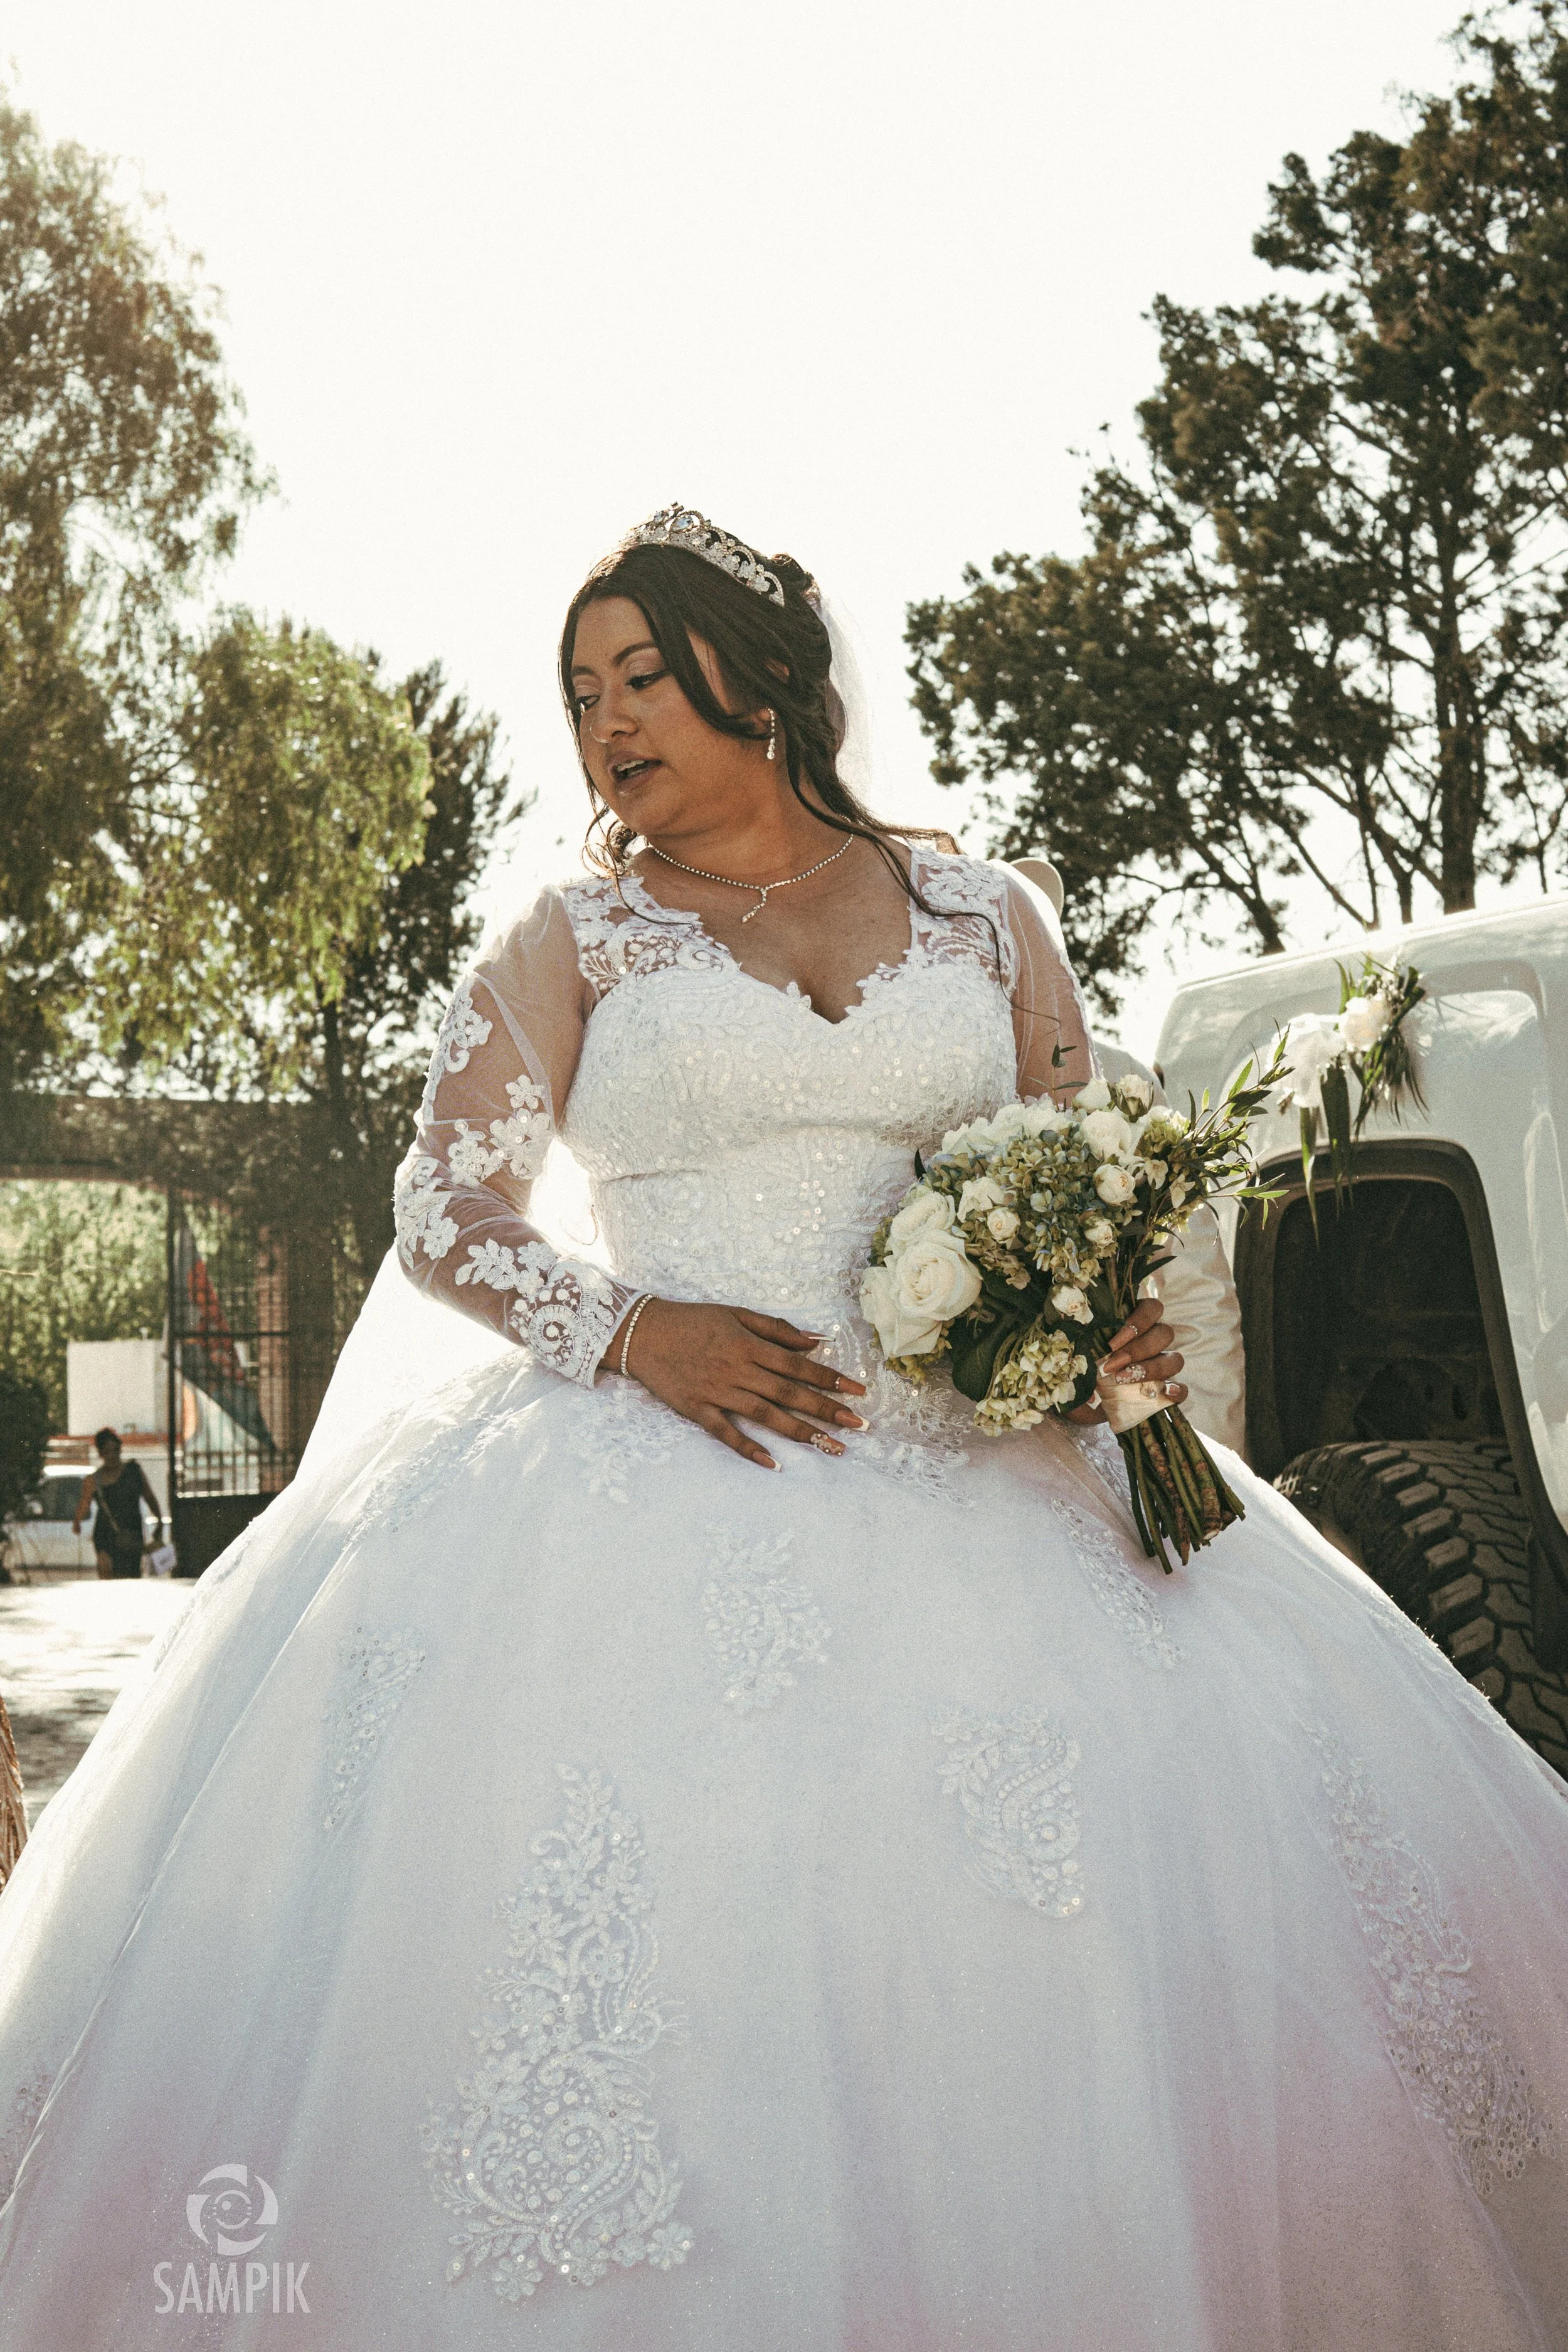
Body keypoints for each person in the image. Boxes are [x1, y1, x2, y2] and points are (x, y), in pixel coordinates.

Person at [0, 506, 1564, 2351]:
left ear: (765, 677)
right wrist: (632, 1329)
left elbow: (1086, 1178)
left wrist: (1099, 1338)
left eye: (641, 674)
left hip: (1000, 1470)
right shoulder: (573, 938)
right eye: (579, 693)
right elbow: (444, 1205)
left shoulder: (986, 915)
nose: (606, 724)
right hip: (650, 1458)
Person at [1010, 857, 1249, 1458]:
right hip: (982, 1450)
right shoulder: (916, 1103)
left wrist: (1201, 1456)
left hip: (1125, 1422)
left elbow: (1194, 1291)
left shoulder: (1122, 1083)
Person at [71, 1429, 161, 1581]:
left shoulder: (134, 1472)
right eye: (107, 1452)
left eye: (115, 1450)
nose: (112, 1455)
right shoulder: (93, 1480)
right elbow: (84, 1504)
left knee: (130, 1579)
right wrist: (77, 1523)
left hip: (132, 1534)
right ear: (100, 1454)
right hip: (105, 1536)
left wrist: (159, 1519)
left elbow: (149, 1497)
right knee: (107, 1577)